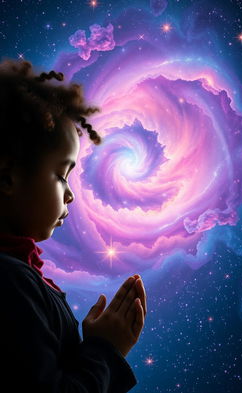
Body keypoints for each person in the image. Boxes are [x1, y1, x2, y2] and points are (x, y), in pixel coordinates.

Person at [0, 58, 147, 393]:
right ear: (7, 176)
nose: (70, 196)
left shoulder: (20, 275)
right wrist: (105, 350)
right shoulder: (10, 282)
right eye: (61, 175)